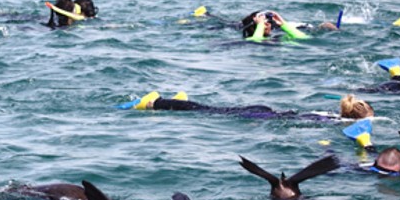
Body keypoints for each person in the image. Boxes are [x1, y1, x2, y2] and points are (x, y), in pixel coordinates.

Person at [120, 91, 372, 121]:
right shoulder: (333, 121)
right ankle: (154, 102)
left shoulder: (331, 116)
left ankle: (172, 102)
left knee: (209, 109)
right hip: (261, 115)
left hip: (264, 110)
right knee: (208, 112)